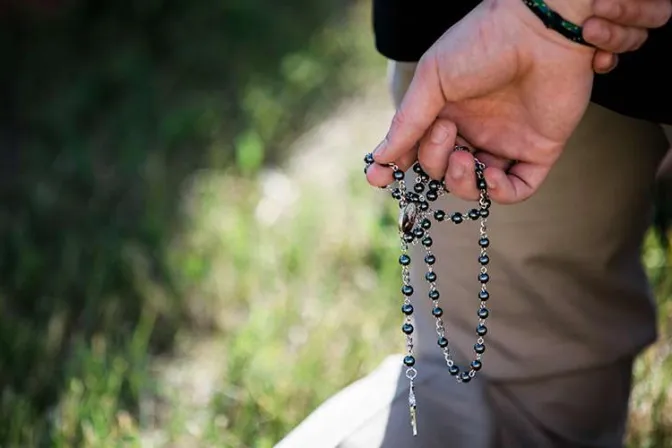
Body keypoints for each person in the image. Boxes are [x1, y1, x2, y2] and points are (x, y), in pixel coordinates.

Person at [276, 0, 672, 446]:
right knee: (489, 392)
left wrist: (548, 17)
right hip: (483, 64)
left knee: (496, 389)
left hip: (490, 44)